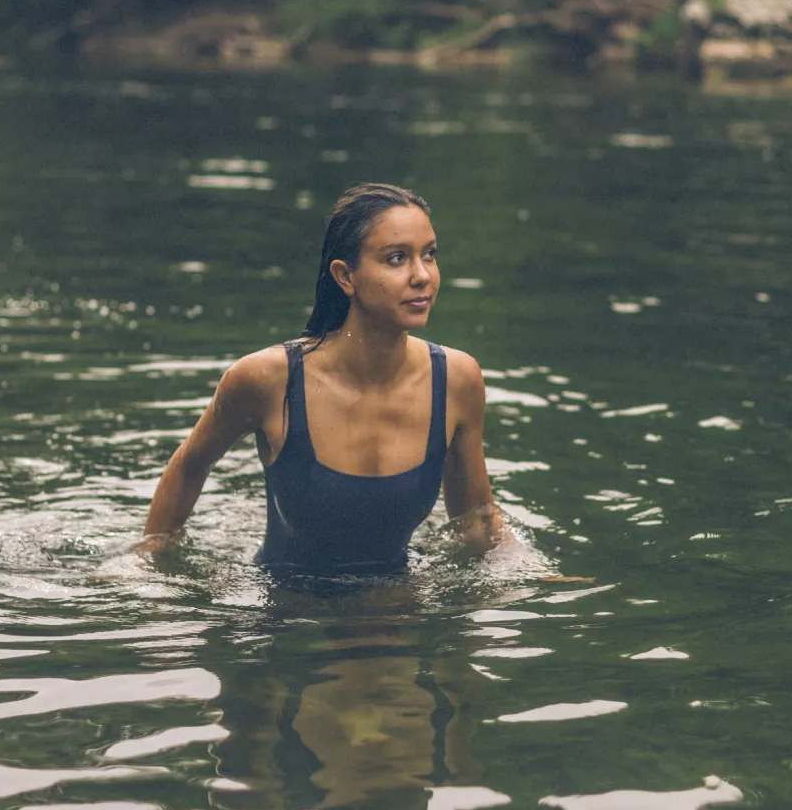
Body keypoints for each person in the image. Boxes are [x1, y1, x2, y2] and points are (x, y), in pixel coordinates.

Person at [134, 182, 519, 574]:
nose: (422, 275)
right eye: (396, 258)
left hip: (393, 598)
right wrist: (147, 566)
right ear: (345, 276)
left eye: (429, 255)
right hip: (283, 604)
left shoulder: (457, 379)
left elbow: (476, 521)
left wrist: (530, 575)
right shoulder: (267, 379)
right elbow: (190, 464)